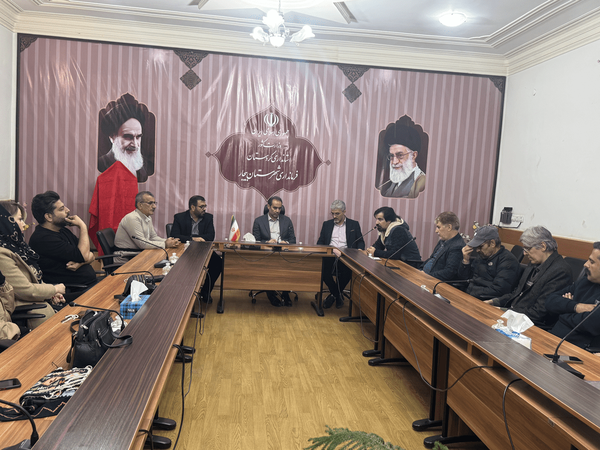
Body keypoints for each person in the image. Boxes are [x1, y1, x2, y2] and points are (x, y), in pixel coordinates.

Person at [485, 226, 572, 327]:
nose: (524, 253)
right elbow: (517, 293)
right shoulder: (534, 262)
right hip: (514, 315)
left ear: (543, 246)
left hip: (531, 325)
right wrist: (493, 302)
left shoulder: (560, 271)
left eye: (528, 248)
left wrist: (503, 311)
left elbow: (539, 312)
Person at [0, 201, 60, 329]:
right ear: (6, 222)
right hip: (29, 312)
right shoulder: (2, 253)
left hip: (39, 305)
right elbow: (25, 290)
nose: (24, 224)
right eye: (20, 219)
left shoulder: (16, 247)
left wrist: (51, 294)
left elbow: (35, 278)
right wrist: (54, 289)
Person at [29, 191, 98, 298]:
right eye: (61, 209)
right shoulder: (43, 239)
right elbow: (85, 255)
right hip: (72, 292)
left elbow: (90, 255)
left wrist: (80, 263)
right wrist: (83, 227)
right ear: (49, 217)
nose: (67, 210)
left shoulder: (61, 230)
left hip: (87, 285)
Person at [546, 242, 600, 349]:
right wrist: (576, 307)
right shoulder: (585, 281)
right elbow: (550, 301)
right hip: (552, 337)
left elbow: (589, 324)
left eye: (592, 262)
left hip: (577, 349)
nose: (586, 264)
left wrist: (563, 310)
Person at [170, 195, 222, 303]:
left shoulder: (208, 218)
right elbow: (174, 235)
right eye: (201, 206)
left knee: (218, 263)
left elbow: (210, 236)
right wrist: (193, 239)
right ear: (192, 207)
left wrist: (195, 238)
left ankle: (206, 291)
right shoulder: (179, 217)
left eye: (205, 206)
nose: (204, 209)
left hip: (202, 250)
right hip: (184, 251)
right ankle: (182, 294)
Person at [316, 200, 364, 309]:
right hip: (330, 254)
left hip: (346, 255)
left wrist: (360, 250)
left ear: (344, 212)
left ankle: (333, 295)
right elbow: (320, 242)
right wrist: (330, 249)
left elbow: (360, 241)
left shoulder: (354, 224)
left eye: (337, 213)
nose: (334, 216)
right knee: (324, 272)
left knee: (348, 272)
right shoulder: (327, 224)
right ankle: (337, 295)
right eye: (332, 213)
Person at [252, 196, 296, 306]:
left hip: (284, 254)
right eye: (275, 208)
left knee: (289, 267)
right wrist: (267, 242)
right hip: (266, 254)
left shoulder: (287, 221)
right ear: (268, 207)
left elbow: (293, 240)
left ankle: (285, 293)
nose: (277, 211)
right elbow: (256, 241)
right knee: (269, 268)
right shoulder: (259, 221)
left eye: (279, 208)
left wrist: (286, 243)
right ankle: (270, 294)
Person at [457, 225, 519, 300]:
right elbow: (464, 279)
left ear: (492, 243)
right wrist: (466, 261)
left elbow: (499, 290)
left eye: (480, 246)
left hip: (483, 300)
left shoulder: (508, 261)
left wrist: (471, 292)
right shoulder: (482, 256)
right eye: (476, 247)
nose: (477, 250)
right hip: (470, 295)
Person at [115, 191, 179, 263]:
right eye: (150, 203)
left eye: (154, 203)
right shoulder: (132, 218)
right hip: (127, 257)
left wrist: (168, 241)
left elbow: (153, 237)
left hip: (139, 254)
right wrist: (165, 244)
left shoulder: (147, 217)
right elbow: (142, 244)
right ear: (140, 205)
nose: (154, 206)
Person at [98, 103, 148, 182]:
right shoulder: (101, 165)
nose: (135, 144)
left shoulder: (144, 169)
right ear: (112, 137)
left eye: (138, 137)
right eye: (128, 137)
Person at [380, 123, 425, 198]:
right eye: (391, 156)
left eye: (400, 155)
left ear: (413, 156)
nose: (394, 162)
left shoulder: (421, 182)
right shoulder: (390, 183)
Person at [422, 212, 465, 281]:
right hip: (424, 275)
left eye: (438, 227)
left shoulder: (457, 246)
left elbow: (449, 273)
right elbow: (432, 259)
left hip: (433, 281)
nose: (436, 231)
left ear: (449, 227)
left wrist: (426, 276)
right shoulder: (443, 241)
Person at [0, 271, 19, 340]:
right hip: (7, 335)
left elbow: (9, 309)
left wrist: (2, 284)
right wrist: (15, 329)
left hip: (8, 331)